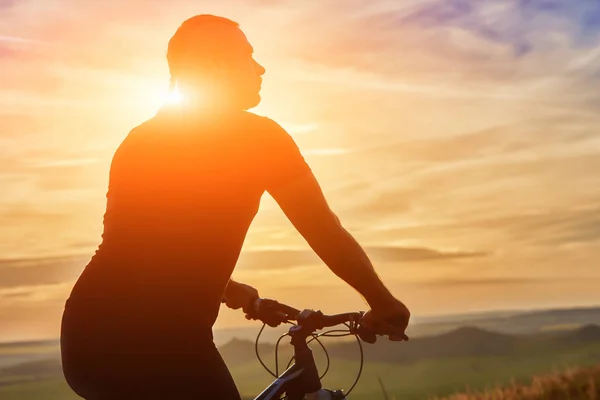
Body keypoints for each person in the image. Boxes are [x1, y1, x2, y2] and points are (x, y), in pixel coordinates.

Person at [60, 14, 411, 400]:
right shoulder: (259, 139)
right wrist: (382, 302)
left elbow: (143, 245)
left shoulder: (140, 140)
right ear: (216, 64)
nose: (260, 68)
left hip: (86, 340)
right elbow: (324, 230)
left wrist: (231, 290)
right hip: (162, 343)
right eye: (247, 56)